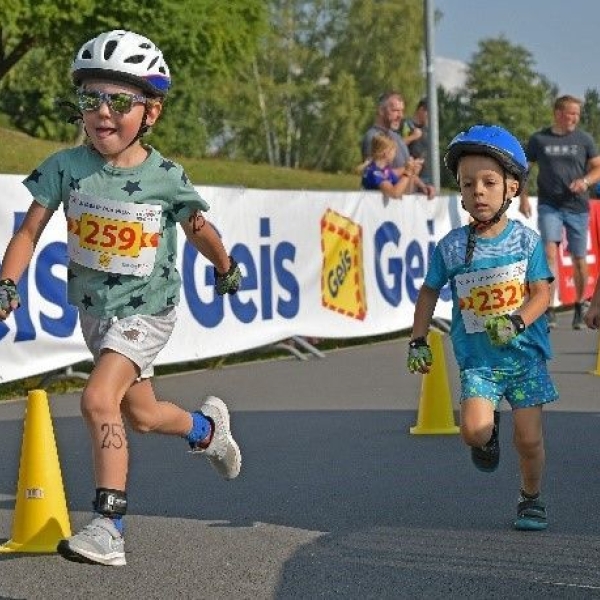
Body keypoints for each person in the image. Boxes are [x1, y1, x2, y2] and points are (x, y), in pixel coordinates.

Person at [0, 29, 243, 567]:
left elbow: (201, 230)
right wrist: (8, 282)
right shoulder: (64, 166)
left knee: (96, 399)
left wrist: (226, 268)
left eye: (120, 101)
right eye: (91, 99)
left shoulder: (166, 178)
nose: (103, 112)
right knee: (144, 415)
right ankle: (207, 430)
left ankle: (109, 525)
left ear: (151, 112)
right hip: (96, 314)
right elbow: (27, 234)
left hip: (147, 311)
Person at [407, 125, 558, 531]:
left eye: (489, 182)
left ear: (511, 187)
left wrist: (516, 321)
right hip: (480, 363)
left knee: (528, 441)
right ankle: (488, 435)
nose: (478, 191)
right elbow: (428, 292)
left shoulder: (525, 242)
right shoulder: (452, 247)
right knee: (473, 431)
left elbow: (542, 294)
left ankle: (530, 498)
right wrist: (417, 340)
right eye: (468, 183)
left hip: (524, 359)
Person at [519, 95, 600, 329]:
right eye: (570, 113)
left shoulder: (584, 139)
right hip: (549, 205)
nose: (574, 118)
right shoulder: (539, 139)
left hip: (577, 206)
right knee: (549, 253)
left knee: (578, 258)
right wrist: (523, 198)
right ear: (557, 113)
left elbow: (597, 168)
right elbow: (524, 168)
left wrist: (585, 181)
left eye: (577, 114)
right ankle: (549, 307)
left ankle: (580, 303)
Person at [361, 91, 435, 199]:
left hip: (402, 205)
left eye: (402, 111)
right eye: (395, 110)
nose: (400, 116)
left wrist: (422, 186)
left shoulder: (397, 137)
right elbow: (377, 173)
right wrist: (408, 171)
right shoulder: (373, 137)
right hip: (381, 207)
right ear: (381, 111)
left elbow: (405, 170)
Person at [359, 132, 418, 198]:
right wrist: (407, 173)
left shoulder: (386, 171)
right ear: (386, 153)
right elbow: (395, 194)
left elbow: (406, 192)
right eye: (394, 152)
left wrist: (412, 174)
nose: (395, 155)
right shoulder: (374, 172)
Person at [401, 97, 431, 183]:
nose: (430, 117)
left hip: (427, 176)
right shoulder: (406, 124)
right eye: (429, 113)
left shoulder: (428, 129)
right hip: (410, 175)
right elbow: (397, 145)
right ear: (421, 110)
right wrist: (413, 137)